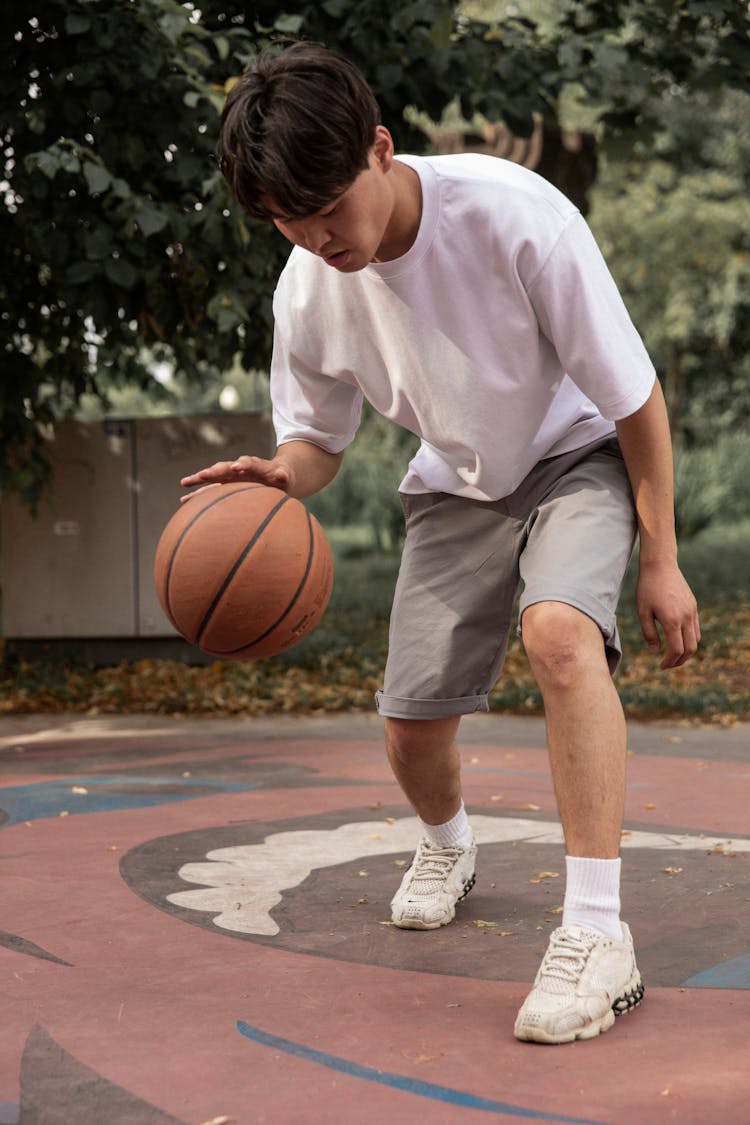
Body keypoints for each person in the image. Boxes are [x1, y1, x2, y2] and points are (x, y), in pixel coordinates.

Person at [181, 42, 700, 1045]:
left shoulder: (515, 216)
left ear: (380, 148)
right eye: (287, 220)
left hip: (577, 448)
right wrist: (283, 475)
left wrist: (663, 556)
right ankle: (449, 848)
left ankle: (598, 933)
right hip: (459, 481)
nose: (315, 236)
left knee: (558, 636)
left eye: (328, 207)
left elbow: (635, 400)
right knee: (412, 726)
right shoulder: (306, 288)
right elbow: (319, 438)